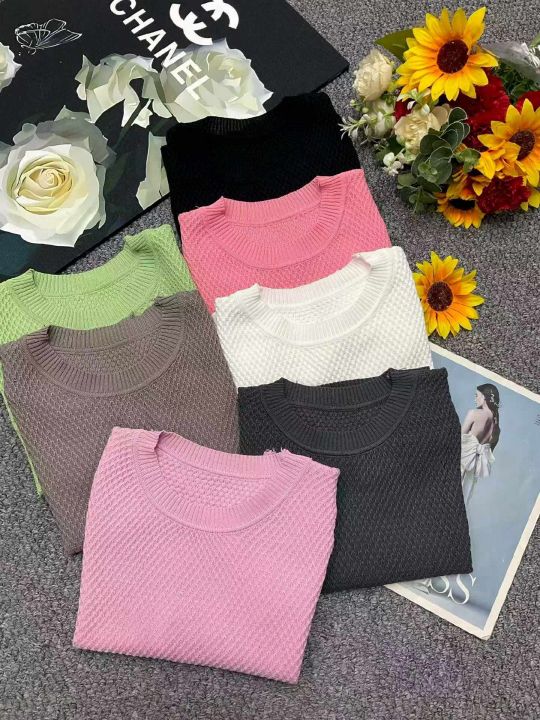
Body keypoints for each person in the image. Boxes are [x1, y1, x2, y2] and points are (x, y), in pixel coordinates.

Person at [460, 383, 501, 504]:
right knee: (462, 500)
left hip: (461, 461)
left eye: (476, 395)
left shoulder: (473, 413)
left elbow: (458, 438)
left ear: (484, 397)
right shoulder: (497, 428)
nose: (475, 399)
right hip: (473, 471)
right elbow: (489, 452)